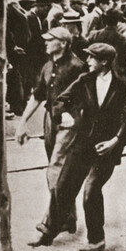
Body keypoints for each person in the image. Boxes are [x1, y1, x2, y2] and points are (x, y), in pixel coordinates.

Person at [29, 43, 126, 251]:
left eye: (91, 58)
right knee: (63, 186)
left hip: (106, 148)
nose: (87, 61)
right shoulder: (85, 80)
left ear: (104, 62)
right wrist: (65, 113)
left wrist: (116, 141)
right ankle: (47, 232)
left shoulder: (123, 87)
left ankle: (96, 239)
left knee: (91, 190)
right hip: (83, 143)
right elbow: (61, 100)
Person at [15, 26, 88, 234]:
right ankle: (68, 217)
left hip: (69, 122)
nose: (46, 43)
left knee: (56, 168)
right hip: (51, 120)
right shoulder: (47, 66)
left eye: (50, 40)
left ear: (63, 43)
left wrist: (73, 115)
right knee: (57, 168)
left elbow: (85, 96)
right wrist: (22, 123)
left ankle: (51, 220)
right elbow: (38, 95)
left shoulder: (77, 66)